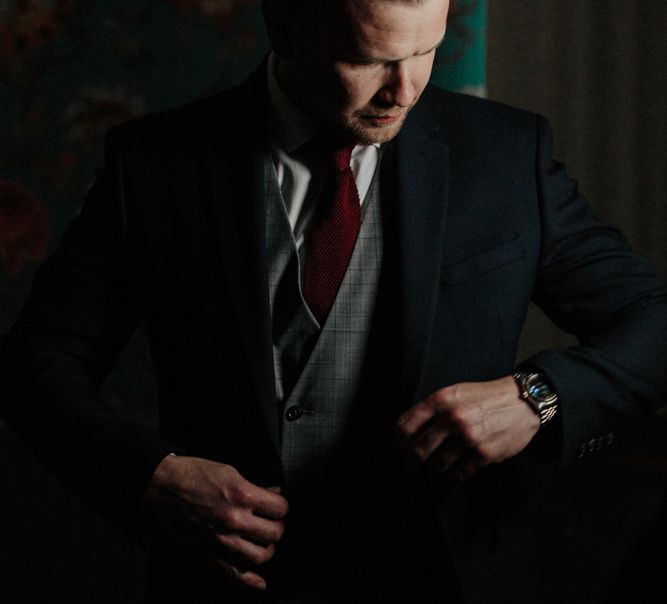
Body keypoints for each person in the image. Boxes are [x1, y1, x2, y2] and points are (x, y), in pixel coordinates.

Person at [1, 0, 666, 602]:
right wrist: (149, 477)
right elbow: (36, 362)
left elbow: (653, 323)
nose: (403, 90)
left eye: (424, 50)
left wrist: (536, 398)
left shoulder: (504, 156)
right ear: (285, 25)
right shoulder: (156, 165)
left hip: (451, 585)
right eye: (368, 59)